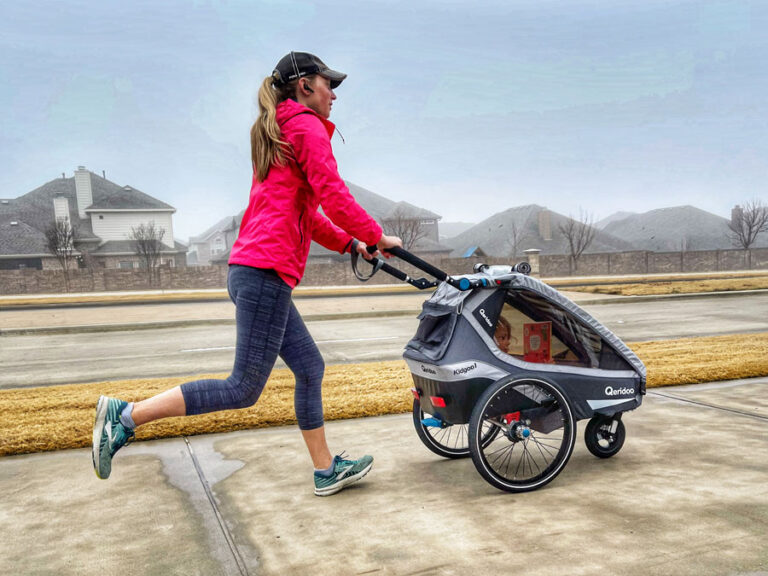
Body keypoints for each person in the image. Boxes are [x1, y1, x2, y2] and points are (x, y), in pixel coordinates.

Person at [92, 51, 403, 496]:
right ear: (304, 86)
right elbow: (333, 194)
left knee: (310, 368)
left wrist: (351, 243)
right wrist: (375, 235)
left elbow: (310, 216)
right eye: (327, 83)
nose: (334, 93)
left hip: (256, 271)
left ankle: (325, 469)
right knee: (243, 389)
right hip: (264, 273)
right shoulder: (305, 127)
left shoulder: (279, 130)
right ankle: (124, 418)